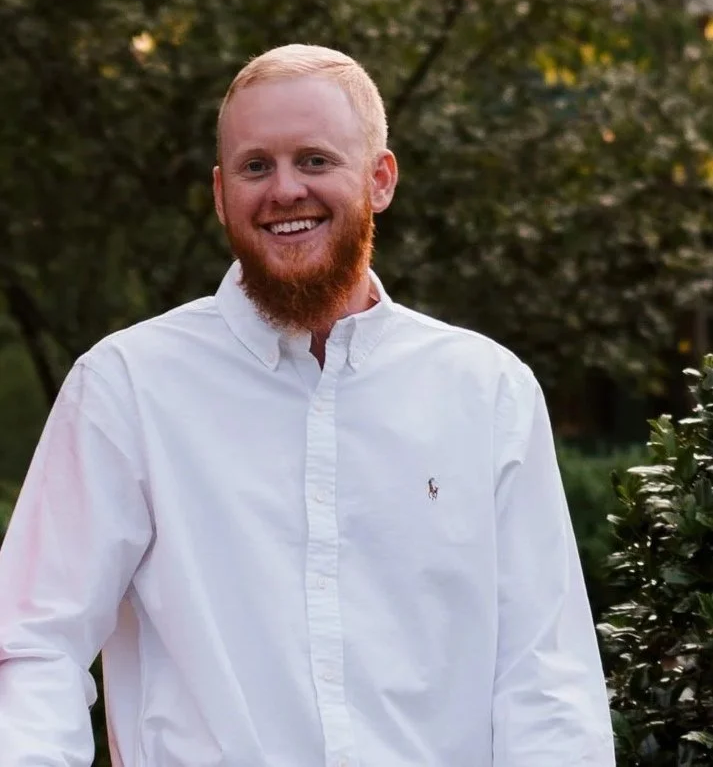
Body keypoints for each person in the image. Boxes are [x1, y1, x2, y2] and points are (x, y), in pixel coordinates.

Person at [0, 44, 615, 767]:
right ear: (221, 193)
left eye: (315, 161)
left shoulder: (486, 391)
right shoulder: (127, 387)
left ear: (379, 179)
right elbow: (33, 644)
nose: (285, 189)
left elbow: (544, 675)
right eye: (256, 166)